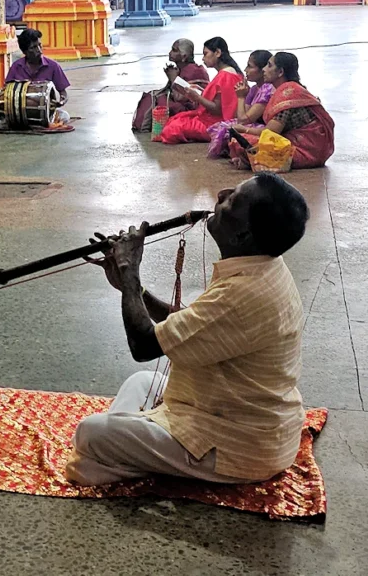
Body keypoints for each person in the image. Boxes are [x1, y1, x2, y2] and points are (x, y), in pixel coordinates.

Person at [65, 175, 309, 487]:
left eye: (232, 199)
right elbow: (194, 325)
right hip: (233, 416)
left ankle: (125, 460)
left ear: (243, 233)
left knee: (91, 434)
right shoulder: (261, 265)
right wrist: (134, 290)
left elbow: (143, 346)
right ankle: (135, 449)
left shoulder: (243, 293)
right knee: (142, 384)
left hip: (239, 446)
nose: (220, 194)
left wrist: (128, 273)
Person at [228, 52, 335, 170]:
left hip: (307, 151)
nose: (264, 69)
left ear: (280, 72)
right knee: (239, 138)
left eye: (269, 65)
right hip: (308, 147)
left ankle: (249, 160)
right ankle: (248, 160)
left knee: (244, 139)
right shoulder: (284, 89)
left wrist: (244, 129)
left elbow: (271, 132)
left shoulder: (288, 93)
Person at [154, 37, 243, 144]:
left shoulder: (225, 76)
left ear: (218, 53)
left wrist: (197, 97)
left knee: (171, 129)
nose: (202, 58)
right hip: (213, 118)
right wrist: (198, 92)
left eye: (205, 54)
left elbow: (218, 110)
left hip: (216, 123)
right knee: (176, 119)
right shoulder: (229, 73)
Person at [0, 28, 71, 127]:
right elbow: (6, 92)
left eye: (39, 45)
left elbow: (63, 92)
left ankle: (24, 125)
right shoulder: (16, 67)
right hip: (18, 113)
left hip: (43, 113)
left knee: (65, 116)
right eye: (33, 47)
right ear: (25, 51)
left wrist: (61, 101)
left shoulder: (53, 66)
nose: (38, 50)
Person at [205, 49, 274, 157]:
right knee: (222, 126)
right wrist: (243, 96)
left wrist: (241, 97)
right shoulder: (254, 89)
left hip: (265, 128)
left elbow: (243, 120)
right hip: (252, 124)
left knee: (228, 129)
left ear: (262, 70)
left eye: (250, 66)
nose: (245, 70)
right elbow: (242, 116)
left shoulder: (267, 89)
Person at [131, 39, 211, 132]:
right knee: (153, 95)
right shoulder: (179, 69)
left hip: (194, 110)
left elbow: (182, 97)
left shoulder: (195, 71)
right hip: (182, 104)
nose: (170, 53)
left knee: (161, 103)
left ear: (184, 56)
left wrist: (173, 78)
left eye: (174, 50)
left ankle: (146, 127)